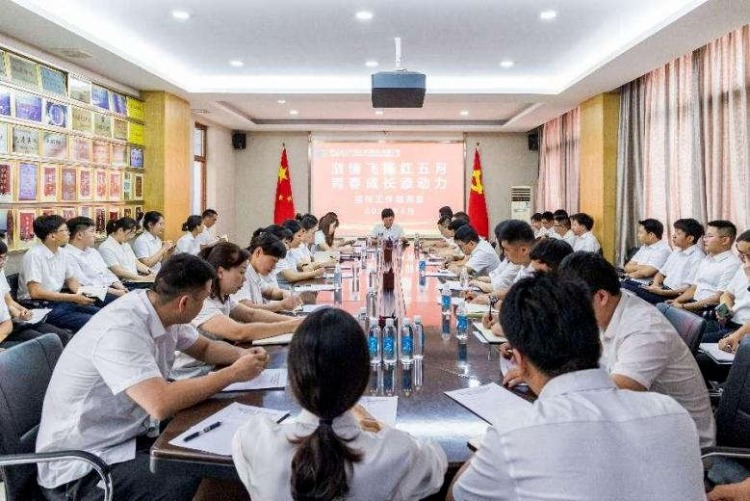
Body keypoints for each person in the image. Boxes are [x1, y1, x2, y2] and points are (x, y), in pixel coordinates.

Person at [450, 274, 705, 501]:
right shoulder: (674, 414)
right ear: (597, 341)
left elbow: (457, 496)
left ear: (519, 360)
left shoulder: (513, 433)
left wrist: (489, 448)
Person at [36, 254, 270, 501]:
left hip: (127, 437)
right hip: (84, 467)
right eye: (203, 300)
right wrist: (233, 373)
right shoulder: (122, 329)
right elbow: (160, 403)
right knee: (206, 476)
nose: (204, 305)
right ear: (184, 303)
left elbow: (204, 348)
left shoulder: (161, 310)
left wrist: (243, 355)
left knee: (223, 449)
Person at [232, 308, 447, 501]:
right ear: (362, 380)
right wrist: (377, 425)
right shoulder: (398, 451)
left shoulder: (254, 439)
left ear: (294, 377)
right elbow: (437, 465)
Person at [556, 251, 715, 447]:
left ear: (601, 297)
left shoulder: (645, 328)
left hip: (681, 444)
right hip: (641, 425)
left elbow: (613, 396)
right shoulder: (609, 311)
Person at [172, 242, 302, 378]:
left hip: (213, 365)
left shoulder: (223, 296)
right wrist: (290, 326)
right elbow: (239, 332)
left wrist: (294, 321)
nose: (244, 279)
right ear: (220, 272)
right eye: (241, 272)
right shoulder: (203, 301)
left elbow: (251, 314)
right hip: (191, 373)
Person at [17, 215, 99, 332]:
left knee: (102, 314)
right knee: (93, 322)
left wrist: (85, 294)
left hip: (59, 301)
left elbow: (72, 281)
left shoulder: (63, 253)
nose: (68, 233)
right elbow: (35, 292)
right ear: (52, 236)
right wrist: (73, 297)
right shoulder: (34, 255)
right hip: (38, 306)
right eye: (64, 230)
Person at [0, 239, 72, 349]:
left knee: (61, 335)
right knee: (47, 343)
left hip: (10, 323)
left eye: (4, 258)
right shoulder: (34, 255)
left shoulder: (0, 271)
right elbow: (6, 325)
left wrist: (22, 312)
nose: (2, 262)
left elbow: (9, 302)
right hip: (4, 328)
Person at [668, 220, 741, 326]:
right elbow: (693, 288)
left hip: (710, 311)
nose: (704, 239)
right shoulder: (707, 259)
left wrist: (684, 307)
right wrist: (676, 302)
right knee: (662, 311)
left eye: (709, 236)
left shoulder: (733, 264)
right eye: (705, 236)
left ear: (725, 240)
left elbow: (718, 298)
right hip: (694, 305)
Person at [633, 218, 705, 304]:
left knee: (627, 290)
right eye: (675, 232)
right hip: (662, 289)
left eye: (678, 233)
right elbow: (661, 273)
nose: (674, 236)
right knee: (626, 285)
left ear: (690, 238)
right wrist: (655, 284)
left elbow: (690, 288)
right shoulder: (676, 251)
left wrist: (663, 292)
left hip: (674, 296)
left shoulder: (698, 257)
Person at [232, 231, 302, 312]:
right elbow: (247, 309)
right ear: (258, 252)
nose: (274, 267)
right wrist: (281, 305)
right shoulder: (243, 272)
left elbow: (270, 292)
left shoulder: (255, 272)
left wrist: (284, 293)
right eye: (273, 261)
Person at [65, 216, 128, 304]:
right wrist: (115, 292)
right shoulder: (67, 255)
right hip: (92, 295)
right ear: (79, 235)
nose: (95, 234)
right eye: (92, 231)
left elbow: (107, 273)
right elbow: (83, 284)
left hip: (110, 289)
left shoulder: (93, 251)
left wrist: (120, 287)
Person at [714, 231, 750, 351]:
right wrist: (725, 309)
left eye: (746, 255)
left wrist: (736, 336)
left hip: (743, 331)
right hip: (729, 322)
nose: (740, 257)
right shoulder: (743, 267)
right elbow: (727, 294)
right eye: (739, 252)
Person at [98, 217, 156, 287]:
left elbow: (136, 263)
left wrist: (152, 272)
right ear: (120, 230)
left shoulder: (125, 244)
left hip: (135, 280)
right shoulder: (106, 247)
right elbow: (118, 271)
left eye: (133, 233)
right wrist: (143, 278)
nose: (132, 236)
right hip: (122, 285)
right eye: (130, 233)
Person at [276, 219, 325, 289]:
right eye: (299, 236)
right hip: (287, 290)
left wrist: (307, 266)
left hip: (294, 287)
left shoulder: (291, 251)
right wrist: (314, 273)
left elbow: (301, 264)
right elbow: (291, 277)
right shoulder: (280, 254)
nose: (302, 239)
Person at [133, 210, 174, 274]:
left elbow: (161, 263)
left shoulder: (158, 239)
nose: (163, 227)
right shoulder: (141, 240)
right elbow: (147, 264)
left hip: (159, 273)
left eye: (163, 224)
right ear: (150, 224)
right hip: (147, 276)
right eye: (160, 224)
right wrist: (163, 248)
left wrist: (169, 253)